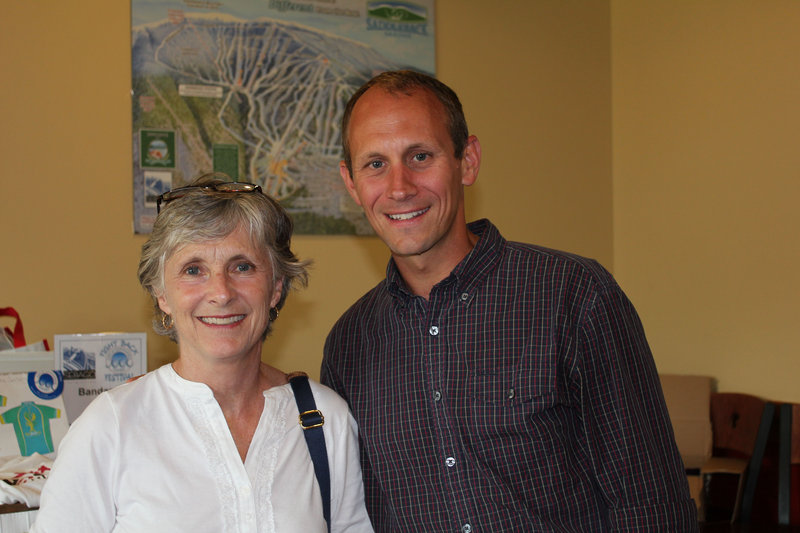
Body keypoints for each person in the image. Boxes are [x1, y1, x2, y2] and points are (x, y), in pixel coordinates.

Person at [321, 70, 698, 532]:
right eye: (374, 164)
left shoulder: (574, 295)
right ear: (351, 183)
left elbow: (652, 502)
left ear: (468, 160)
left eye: (420, 155)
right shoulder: (348, 344)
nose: (399, 186)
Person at [32, 173, 373, 532]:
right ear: (162, 294)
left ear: (275, 288)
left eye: (242, 266)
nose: (221, 292)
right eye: (193, 270)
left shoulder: (325, 419)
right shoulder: (112, 425)